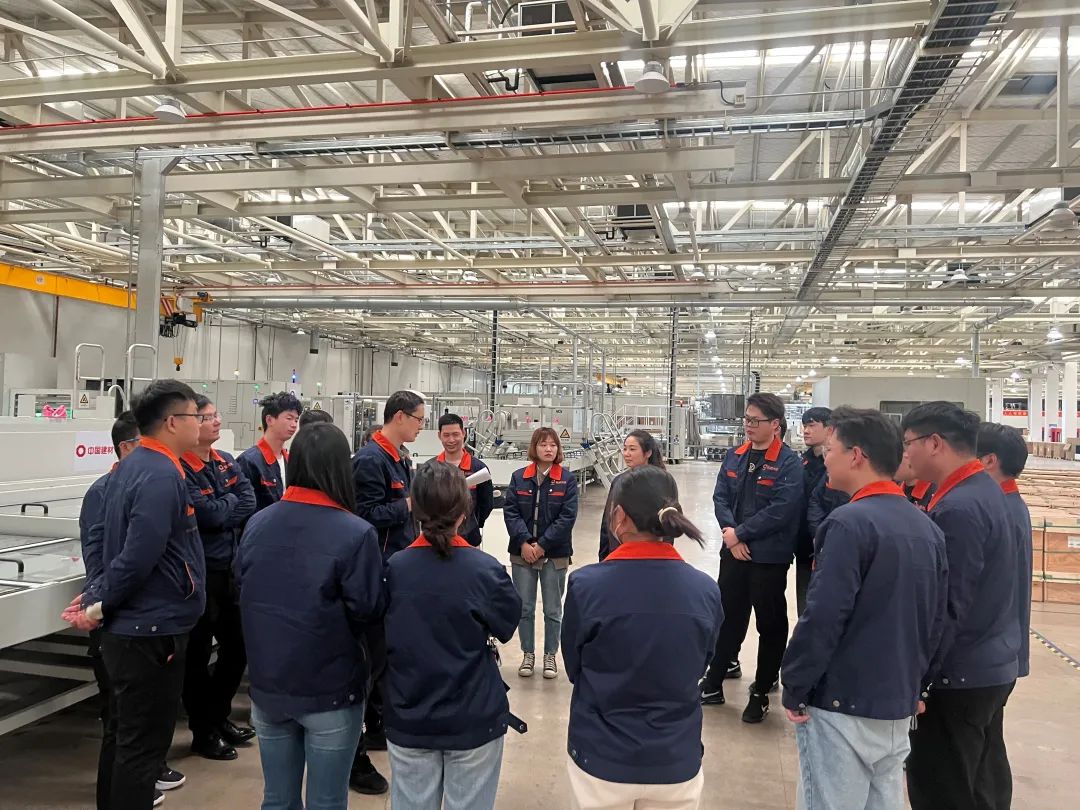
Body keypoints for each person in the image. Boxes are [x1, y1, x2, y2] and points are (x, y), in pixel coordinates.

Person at [781, 407, 948, 810]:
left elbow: (823, 616)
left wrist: (796, 684)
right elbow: (937, 618)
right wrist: (917, 685)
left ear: (856, 455)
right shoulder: (926, 527)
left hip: (843, 704)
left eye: (832, 450)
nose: (826, 459)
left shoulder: (848, 524)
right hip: (896, 706)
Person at [62, 380, 205, 810]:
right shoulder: (160, 474)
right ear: (172, 422)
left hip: (138, 625)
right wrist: (97, 604)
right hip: (150, 630)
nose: (201, 424)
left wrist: (97, 597)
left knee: (125, 738)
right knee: (143, 748)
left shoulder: (136, 466)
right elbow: (138, 556)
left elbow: (118, 549)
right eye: (196, 416)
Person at [235, 423, 385, 810]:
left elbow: (243, 589)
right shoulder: (356, 533)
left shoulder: (257, 524)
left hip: (269, 687)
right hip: (331, 690)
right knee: (327, 801)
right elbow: (368, 610)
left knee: (277, 799)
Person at [562, 465, 723, 810]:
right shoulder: (705, 591)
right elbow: (702, 662)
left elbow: (575, 667)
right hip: (675, 758)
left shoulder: (587, 586)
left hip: (602, 758)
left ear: (619, 516)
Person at [901, 402, 1021, 810]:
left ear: (934, 443)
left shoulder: (959, 508)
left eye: (908, 443)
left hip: (958, 677)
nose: (906, 454)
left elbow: (947, 607)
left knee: (942, 788)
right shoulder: (984, 491)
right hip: (988, 664)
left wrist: (918, 679)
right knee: (978, 785)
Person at [382, 462, 522, 810]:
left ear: (416, 509)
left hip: (410, 714)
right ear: (464, 512)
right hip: (472, 716)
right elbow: (506, 625)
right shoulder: (484, 570)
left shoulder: (394, 570)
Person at [75, 413, 183, 809]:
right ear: (126, 448)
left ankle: (138, 783)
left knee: (135, 724)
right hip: (118, 620)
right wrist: (98, 603)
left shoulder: (149, 482)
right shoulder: (105, 491)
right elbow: (101, 558)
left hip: (133, 615)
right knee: (120, 722)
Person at [699, 392, 803, 722]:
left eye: (756, 420)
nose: (749, 425)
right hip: (734, 553)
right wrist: (731, 536)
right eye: (746, 419)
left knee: (769, 623)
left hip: (769, 557)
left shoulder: (789, 463)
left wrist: (741, 534)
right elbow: (720, 498)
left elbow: (782, 510)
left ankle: (761, 690)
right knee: (727, 616)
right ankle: (714, 681)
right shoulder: (735, 456)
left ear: (776, 424)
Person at [350, 391, 426, 794]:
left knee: (385, 661)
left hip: (397, 568)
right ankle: (354, 751)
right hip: (376, 573)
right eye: (418, 419)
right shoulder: (370, 460)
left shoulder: (399, 458)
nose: (421, 426)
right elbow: (363, 516)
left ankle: (377, 724)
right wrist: (408, 506)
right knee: (369, 662)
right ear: (399, 416)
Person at [180, 395, 258, 762]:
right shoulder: (181, 467)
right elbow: (207, 516)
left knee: (238, 647)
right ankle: (203, 731)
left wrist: (221, 507)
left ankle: (217, 715)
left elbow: (249, 501)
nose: (216, 421)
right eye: (207, 417)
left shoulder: (225, 460)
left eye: (216, 415)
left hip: (231, 570)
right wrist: (226, 506)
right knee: (197, 656)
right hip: (199, 575)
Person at [504, 427, 579, 680]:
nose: (549, 449)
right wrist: (525, 543)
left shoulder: (567, 480)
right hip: (522, 554)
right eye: (543, 444)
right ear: (534, 448)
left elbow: (567, 518)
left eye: (553, 445)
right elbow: (511, 512)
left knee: (553, 610)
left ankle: (550, 655)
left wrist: (542, 545)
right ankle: (528, 654)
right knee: (524, 608)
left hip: (554, 555)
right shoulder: (519, 477)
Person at [977, 422, 1033, 683]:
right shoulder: (1008, 505)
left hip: (990, 655)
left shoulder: (1001, 512)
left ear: (989, 461)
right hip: (1000, 652)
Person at [598, 429, 665, 562]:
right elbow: (607, 522)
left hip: (649, 558)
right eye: (625, 449)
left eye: (632, 449)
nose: (627, 454)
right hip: (618, 555)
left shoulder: (660, 483)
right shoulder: (618, 481)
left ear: (648, 453)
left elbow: (667, 523)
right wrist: (604, 557)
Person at [431, 413, 494, 547]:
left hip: (469, 540)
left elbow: (486, 504)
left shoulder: (478, 469)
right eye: (446, 435)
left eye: (455, 434)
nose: (451, 440)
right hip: (437, 540)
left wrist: (473, 523)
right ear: (439, 436)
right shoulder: (430, 469)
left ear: (464, 433)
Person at [794, 407, 832, 616]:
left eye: (811, 425)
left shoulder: (837, 465)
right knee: (804, 605)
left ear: (829, 429)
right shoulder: (802, 462)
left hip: (828, 545)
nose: (806, 431)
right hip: (804, 546)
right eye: (804, 426)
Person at [237, 392, 301, 513]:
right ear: (270, 420)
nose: (294, 425)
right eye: (289, 418)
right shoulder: (249, 461)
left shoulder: (290, 460)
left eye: (296, 420)